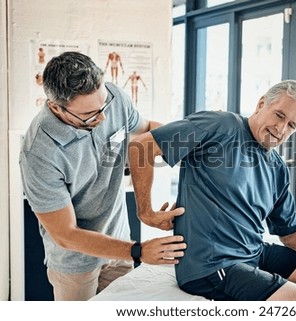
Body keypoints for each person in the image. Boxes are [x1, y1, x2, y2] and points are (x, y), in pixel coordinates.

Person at [128, 80, 296, 301]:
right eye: (279, 115)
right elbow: (142, 146)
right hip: (211, 263)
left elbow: (290, 232)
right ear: (261, 104)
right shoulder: (219, 124)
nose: (281, 129)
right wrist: (146, 212)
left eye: (292, 126)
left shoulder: (277, 167)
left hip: (254, 252)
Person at [19, 51, 186, 301]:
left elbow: (148, 131)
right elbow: (66, 234)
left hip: (120, 244)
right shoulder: (39, 152)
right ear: (56, 107)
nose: (104, 117)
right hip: (75, 262)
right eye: (89, 115)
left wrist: (188, 149)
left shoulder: (113, 98)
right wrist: (139, 251)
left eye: (103, 105)